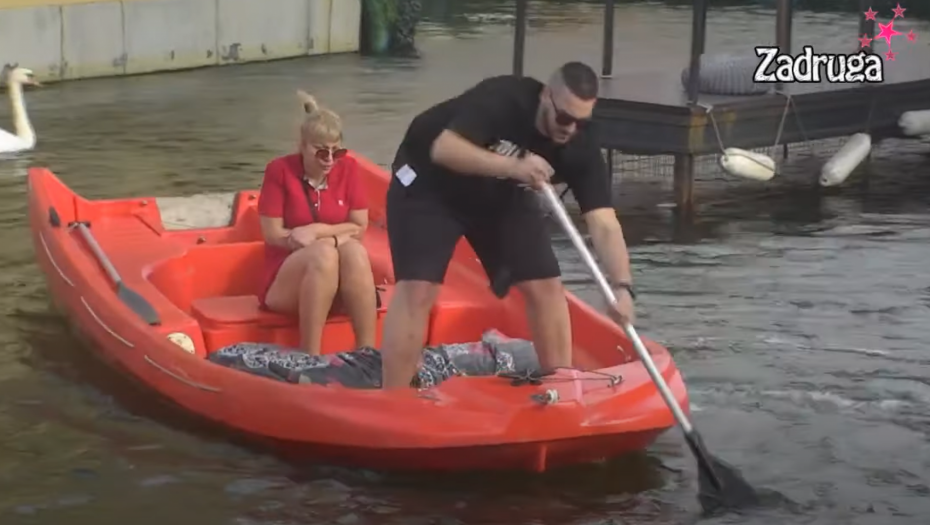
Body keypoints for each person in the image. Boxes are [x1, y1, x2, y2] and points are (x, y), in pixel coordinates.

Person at [380, 61, 637, 389]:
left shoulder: (581, 142)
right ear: (546, 96)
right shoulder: (504, 97)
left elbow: (603, 222)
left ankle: (561, 389)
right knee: (419, 287)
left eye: (580, 122)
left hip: (498, 188)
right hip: (429, 181)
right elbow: (444, 148)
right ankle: (396, 398)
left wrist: (622, 286)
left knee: (546, 285)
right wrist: (515, 167)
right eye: (564, 118)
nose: (570, 129)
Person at [256, 90, 377, 355]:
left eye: (337, 152)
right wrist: (309, 240)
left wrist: (318, 231)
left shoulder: (349, 169)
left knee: (355, 252)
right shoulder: (279, 171)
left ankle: (368, 354)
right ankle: (310, 356)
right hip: (286, 280)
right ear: (303, 146)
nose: (330, 160)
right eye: (321, 152)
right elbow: (273, 234)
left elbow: (359, 227)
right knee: (323, 255)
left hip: (335, 275)